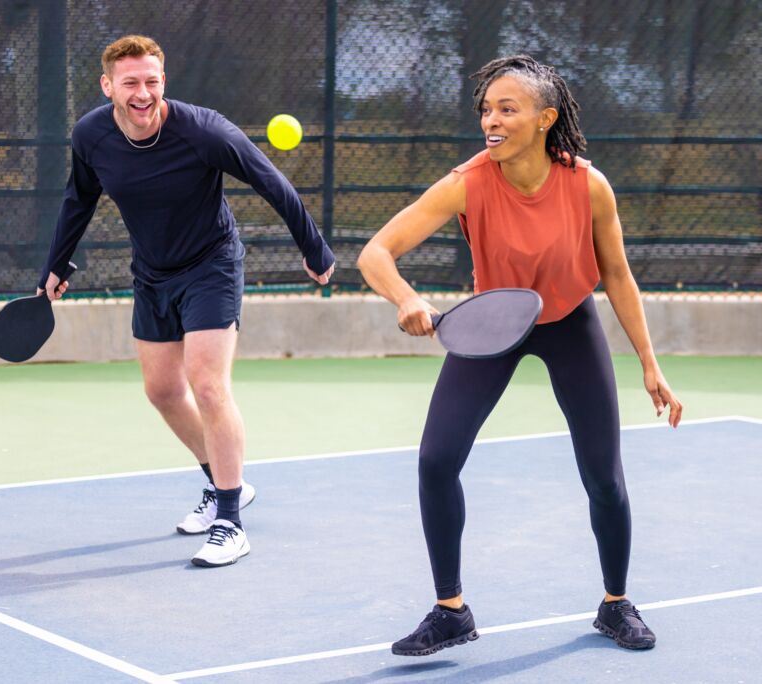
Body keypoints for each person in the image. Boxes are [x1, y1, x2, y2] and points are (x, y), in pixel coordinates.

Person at [358, 55, 682, 655]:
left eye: (508, 108)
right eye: (486, 109)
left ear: (545, 118)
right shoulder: (466, 181)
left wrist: (649, 362)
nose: (492, 120)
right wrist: (405, 297)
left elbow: (617, 275)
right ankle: (450, 610)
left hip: (569, 322)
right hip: (495, 323)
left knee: (604, 477)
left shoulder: (588, 184)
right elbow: (376, 252)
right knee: (436, 461)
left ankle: (616, 603)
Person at [38, 35, 335, 568]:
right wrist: (56, 263)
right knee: (162, 390)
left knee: (207, 382)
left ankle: (230, 522)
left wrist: (313, 248)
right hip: (152, 272)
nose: (143, 92)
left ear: (163, 83)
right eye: (131, 82)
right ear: (108, 86)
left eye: (152, 81)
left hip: (212, 265)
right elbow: (78, 197)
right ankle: (226, 485)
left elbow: (272, 182)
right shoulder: (92, 135)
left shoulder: (203, 131)